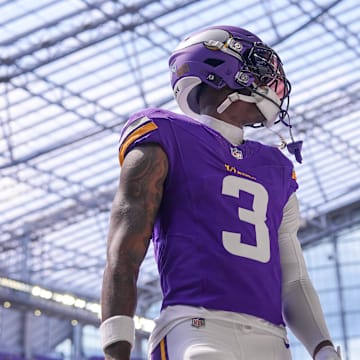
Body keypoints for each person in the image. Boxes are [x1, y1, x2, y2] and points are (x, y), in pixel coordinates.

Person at [100, 25, 341, 360]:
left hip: (273, 339)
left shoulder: (276, 167)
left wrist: (323, 347)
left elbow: (293, 278)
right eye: (259, 63)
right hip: (196, 329)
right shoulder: (166, 134)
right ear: (216, 65)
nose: (272, 78)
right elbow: (125, 249)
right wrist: (116, 348)